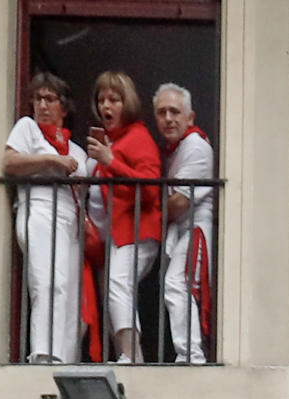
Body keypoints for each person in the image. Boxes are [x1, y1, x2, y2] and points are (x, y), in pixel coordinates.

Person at [4, 73, 92, 364]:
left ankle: (65, 358)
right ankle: (44, 354)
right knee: (47, 281)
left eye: (49, 99)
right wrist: (52, 160)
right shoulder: (28, 129)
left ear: (63, 109)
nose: (42, 105)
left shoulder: (76, 150)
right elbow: (10, 162)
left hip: (70, 220)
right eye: (37, 99)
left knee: (69, 293)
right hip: (40, 208)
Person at [86, 71, 162, 363]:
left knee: (118, 283)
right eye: (102, 99)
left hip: (139, 230)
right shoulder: (114, 141)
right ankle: (130, 356)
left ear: (126, 103)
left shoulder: (138, 137)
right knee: (112, 289)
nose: (106, 106)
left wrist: (111, 162)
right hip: (120, 233)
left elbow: (151, 189)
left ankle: (131, 356)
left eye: (114, 100)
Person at [153, 83, 214, 364]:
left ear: (190, 118)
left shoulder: (196, 147)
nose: (168, 118)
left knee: (177, 283)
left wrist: (146, 210)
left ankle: (192, 356)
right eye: (162, 112)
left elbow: (178, 203)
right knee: (176, 286)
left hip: (194, 229)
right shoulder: (174, 150)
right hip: (180, 231)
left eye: (175, 112)